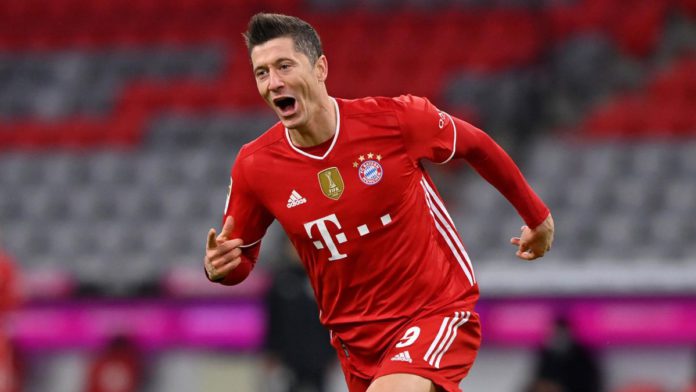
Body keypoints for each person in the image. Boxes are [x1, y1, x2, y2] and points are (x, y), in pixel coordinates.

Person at [203, 13, 554, 392]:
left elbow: (477, 146)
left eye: (284, 66)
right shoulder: (255, 166)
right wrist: (218, 267)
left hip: (434, 312)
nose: (273, 83)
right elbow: (239, 262)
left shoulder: (396, 120)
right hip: (356, 343)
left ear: (320, 67)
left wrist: (538, 217)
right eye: (261, 73)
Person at [263, 239, 335, 392]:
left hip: (319, 355)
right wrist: (271, 352)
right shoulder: (281, 280)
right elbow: (273, 320)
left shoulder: (322, 277)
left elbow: (333, 320)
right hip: (289, 357)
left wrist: (334, 353)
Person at [526, 316, 602, 392]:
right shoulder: (544, 358)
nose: (558, 338)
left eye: (561, 334)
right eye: (554, 334)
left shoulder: (583, 359)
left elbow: (590, 384)